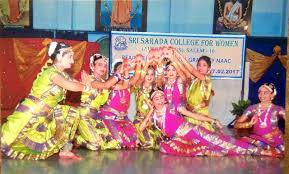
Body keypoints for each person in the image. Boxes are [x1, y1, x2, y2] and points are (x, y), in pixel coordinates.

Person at [1, 41, 96, 160]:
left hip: (46, 115)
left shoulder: (63, 74)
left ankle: (65, 150)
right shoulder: (51, 73)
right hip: (30, 112)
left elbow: (78, 84)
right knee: (4, 140)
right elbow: (72, 86)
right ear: (59, 56)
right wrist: (87, 86)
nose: (72, 61)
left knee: (72, 114)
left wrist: (89, 84)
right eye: (69, 57)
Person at [140, 89, 278, 157]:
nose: (159, 99)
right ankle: (208, 150)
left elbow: (193, 115)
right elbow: (141, 127)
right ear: (152, 101)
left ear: (165, 99)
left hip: (191, 131)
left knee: (219, 140)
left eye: (161, 97)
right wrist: (150, 111)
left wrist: (212, 120)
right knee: (164, 148)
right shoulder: (152, 115)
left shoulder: (173, 107)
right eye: (155, 98)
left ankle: (258, 151)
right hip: (178, 138)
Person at [91, 55, 142, 149]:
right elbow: (109, 84)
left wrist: (138, 63)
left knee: (135, 140)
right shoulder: (109, 83)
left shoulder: (126, 86)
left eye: (123, 72)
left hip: (123, 119)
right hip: (109, 118)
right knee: (119, 142)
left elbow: (136, 77)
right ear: (115, 73)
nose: (122, 74)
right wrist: (123, 70)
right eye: (120, 71)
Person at [75, 54, 121, 150]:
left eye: (105, 65)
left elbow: (125, 86)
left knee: (114, 143)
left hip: (95, 118)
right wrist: (119, 73)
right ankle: (77, 138)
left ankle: (87, 135)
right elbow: (106, 85)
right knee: (95, 146)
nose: (103, 68)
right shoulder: (89, 79)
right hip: (84, 116)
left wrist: (133, 69)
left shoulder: (103, 82)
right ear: (92, 66)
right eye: (99, 64)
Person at [234, 83, 285, 156]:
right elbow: (236, 124)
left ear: (272, 95)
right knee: (240, 143)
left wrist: (274, 132)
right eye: (260, 92)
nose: (261, 95)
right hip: (257, 140)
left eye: (265, 92)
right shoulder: (252, 108)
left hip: (274, 140)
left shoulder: (278, 109)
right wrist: (249, 124)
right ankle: (267, 151)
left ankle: (270, 151)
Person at [133, 57, 161, 149]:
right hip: (140, 121)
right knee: (149, 143)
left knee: (159, 143)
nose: (149, 77)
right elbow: (140, 77)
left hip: (152, 122)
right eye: (147, 74)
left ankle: (137, 140)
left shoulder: (156, 90)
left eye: (152, 74)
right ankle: (136, 138)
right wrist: (147, 62)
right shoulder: (138, 88)